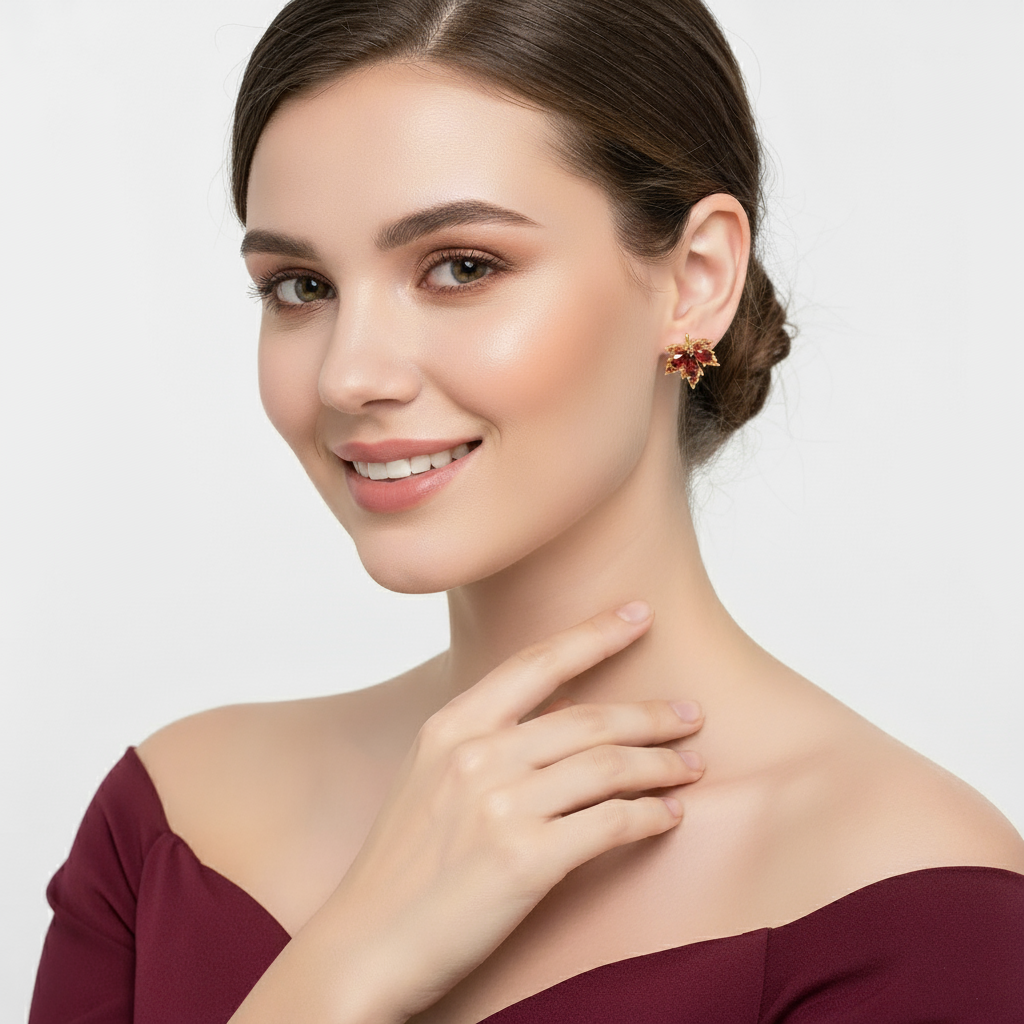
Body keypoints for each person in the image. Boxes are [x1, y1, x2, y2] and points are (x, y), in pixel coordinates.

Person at [28, 1, 1024, 1021]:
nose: (349, 373)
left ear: (695, 279)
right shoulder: (171, 817)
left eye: (462, 266)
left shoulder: (913, 900)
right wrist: (345, 965)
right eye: (299, 286)